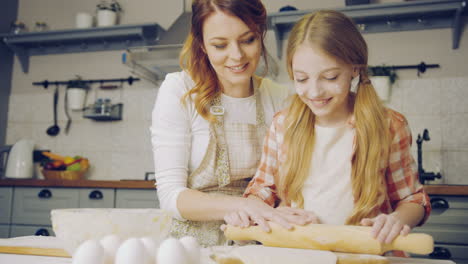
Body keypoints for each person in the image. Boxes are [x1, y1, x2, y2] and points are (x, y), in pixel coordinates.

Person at [225, 10, 431, 255]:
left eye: (330, 77)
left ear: (355, 69)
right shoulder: (284, 125)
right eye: (301, 79)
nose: (314, 91)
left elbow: (413, 199)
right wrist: (258, 209)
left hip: (368, 257)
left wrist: (398, 219)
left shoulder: (388, 126)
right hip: (297, 255)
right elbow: (262, 189)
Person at [150, 0, 315, 246]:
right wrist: (243, 204)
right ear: (202, 45)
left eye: (248, 40)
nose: (237, 55)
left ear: (261, 35)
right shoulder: (180, 90)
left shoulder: (280, 98)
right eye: (220, 45)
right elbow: (171, 196)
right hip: (191, 248)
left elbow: (293, 183)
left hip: (259, 245)